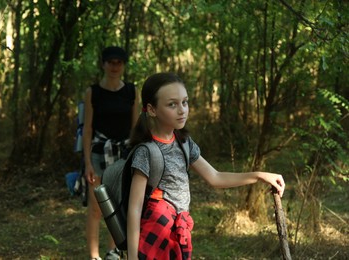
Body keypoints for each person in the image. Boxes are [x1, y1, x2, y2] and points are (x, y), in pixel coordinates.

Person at [126, 72, 286, 260]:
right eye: (172, 104)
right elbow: (134, 209)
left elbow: (215, 177)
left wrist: (259, 176)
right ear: (152, 110)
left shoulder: (184, 143)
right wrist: (132, 256)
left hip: (179, 232)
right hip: (156, 233)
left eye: (184, 102)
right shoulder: (146, 152)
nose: (182, 110)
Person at [82, 46, 139, 260]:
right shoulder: (93, 92)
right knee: (97, 208)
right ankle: (94, 255)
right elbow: (87, 129)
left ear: (124, 65)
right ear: (103, 64)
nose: (115, 66)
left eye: (119, 62)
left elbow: (136, 127)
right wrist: (87, 162)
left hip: (124, 154)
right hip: (99, 153)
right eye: (110, 62)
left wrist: (137, 155)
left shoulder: (132, 91)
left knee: (117, 206)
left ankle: (112, 253)